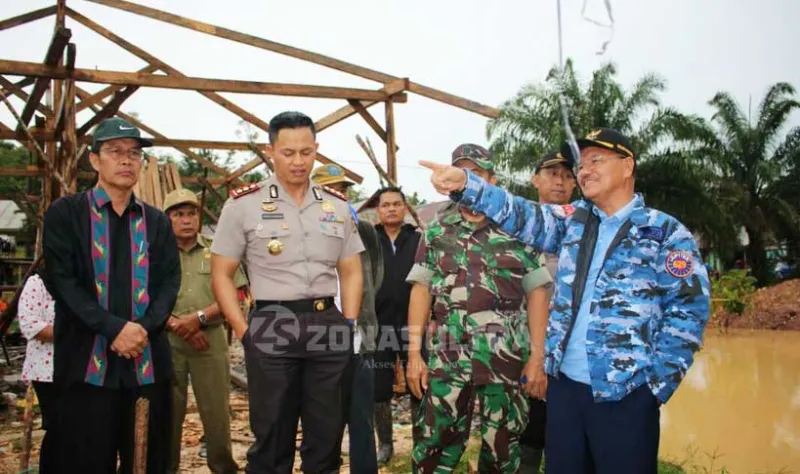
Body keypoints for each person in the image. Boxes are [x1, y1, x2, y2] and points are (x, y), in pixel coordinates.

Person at [419, 128, 711, 474]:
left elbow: (688, 310)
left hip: (625, 393)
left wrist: (654, 387)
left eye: (595, 160)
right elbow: (521, 213)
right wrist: (468, 185)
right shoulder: (573, 222)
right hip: (565, 390)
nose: (584, 170)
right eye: (581, 164)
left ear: (627, 166)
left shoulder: (663, 232)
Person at [210, 111, 364, 474]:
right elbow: (221, 275)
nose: (298, 161)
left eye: (306, 152)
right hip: (271, 322)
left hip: (327, 323)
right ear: (271, 151)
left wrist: (349, 322)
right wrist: (245, 333)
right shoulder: (243, 205)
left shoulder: (336, 206)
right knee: (272, 437)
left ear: (317, 151)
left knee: (326, 436)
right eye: (288, 152)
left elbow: (352, 269)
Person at [43, 117, 180, 473]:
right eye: (115, 151)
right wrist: (114, 329)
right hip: (86, 368)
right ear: (94, 160)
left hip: (147, 368)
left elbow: (168, 284)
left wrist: (142, 330)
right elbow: (63, 282)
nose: (126, 160)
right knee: (82, 461)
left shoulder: (157, 222)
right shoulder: (66, 214)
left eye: (134, 153)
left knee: (148, 460)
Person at [405, 144, 551, 473]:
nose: (468, 180)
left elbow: (538, 294)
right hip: (448, 361)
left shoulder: (519, 231)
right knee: (433, 444)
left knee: (501, 450)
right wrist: (415, 355)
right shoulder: (437, 231)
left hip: (505, 362)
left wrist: (537, 357)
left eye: (477, 174)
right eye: (462, 173)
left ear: (492, 180)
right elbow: (420, 291)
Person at [162, 188, 249, 474]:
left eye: (191, 213)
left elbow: (237, 295)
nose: (186, 220)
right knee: (168, 413)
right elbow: (143, 297)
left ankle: (223, 468)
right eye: (178, 214)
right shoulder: (154, 254)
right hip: (167, 342)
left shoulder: (218, 251)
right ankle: (165, 468)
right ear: (167, 219)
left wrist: (198, 319)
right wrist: (180, 326)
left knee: (216, 413)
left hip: (209, 343)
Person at [311, 163, 384, 474]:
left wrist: (361, 312)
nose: (337, 195)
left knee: (361, 419)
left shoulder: (365, 230)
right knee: (321, 420)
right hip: (318, 338)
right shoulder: (306, 231)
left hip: (359, 337)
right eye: (329, 189)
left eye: (341, 190)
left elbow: (375, 276)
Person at [518, 150, 577, 472]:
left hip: (572, 342)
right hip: (525, 335)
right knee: (529, 420)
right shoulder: (517, 223)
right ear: (535, 179)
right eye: (552, 173)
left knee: (566, 422)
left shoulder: (587, 224)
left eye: (568, 176)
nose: (560, 181)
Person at [371, 185, 421, 464]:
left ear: (405, 207)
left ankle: (420, 442)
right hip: (377, 326)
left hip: (413, 324)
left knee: (418, 382)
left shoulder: (418, 240)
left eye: (396, 204)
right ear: (378, 211)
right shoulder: (369, 240)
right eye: (385, 205)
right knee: (379, 387)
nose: (391, 208)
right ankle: (386, 444)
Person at [18, 268, 57, 474]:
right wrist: (70, 333)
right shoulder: (38, 283)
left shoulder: (78, 282)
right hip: (45, 370)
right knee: (57, 427)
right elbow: (30, 325)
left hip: (78, 366)